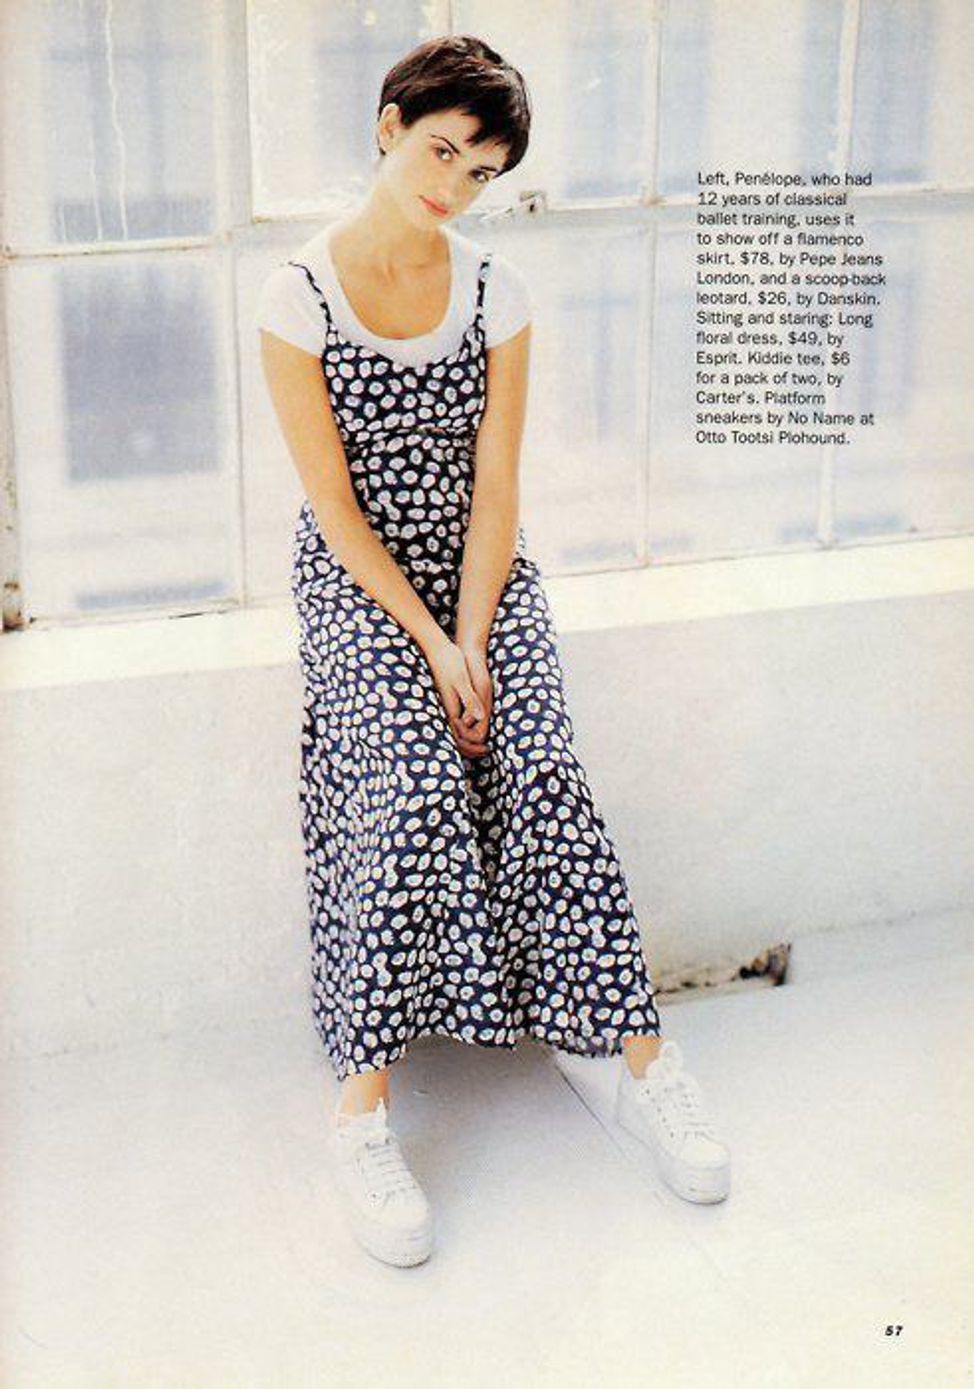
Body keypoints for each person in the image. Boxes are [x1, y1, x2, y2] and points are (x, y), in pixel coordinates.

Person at [256, 34, 730, 1268]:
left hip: (482, 575)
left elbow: (496, 486)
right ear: (388, 126)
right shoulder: (298, 293)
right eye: (440, 153)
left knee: (543, 776)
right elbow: (331, 508)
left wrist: (471, 637)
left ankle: (635, 1059)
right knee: (413, 788)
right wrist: (426, 643)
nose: (452, 187)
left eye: (478, 173)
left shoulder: (493, 291)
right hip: (361, 584)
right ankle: (362, 1115)